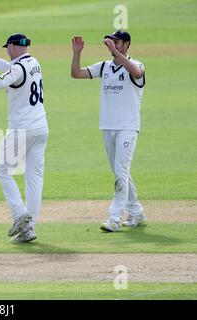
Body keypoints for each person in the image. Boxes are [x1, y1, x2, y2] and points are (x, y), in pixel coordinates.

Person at [0, 34, 49, 243]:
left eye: (9, 47)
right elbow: (8, 66)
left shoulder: (17, 69)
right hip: (41, 127)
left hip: (21, 129)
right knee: (34, 179)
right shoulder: (32, 62)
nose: (7, 50)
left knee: (3, 171)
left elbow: (0, 83)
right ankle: (29, 229)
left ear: (15, 47)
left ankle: (19, 213)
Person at [70, 30, 147, 232]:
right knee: (120, 172)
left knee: (121, 172)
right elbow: (76, 73)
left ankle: (114, 218)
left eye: (117, 42)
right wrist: (77, 53)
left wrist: (116, 53)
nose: (112, 45)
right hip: (107, 126)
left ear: (126, 45)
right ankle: (137, 212)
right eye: (111, 42)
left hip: (128, 127)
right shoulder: (104, 67)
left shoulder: (137, 65)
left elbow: (136, 73)